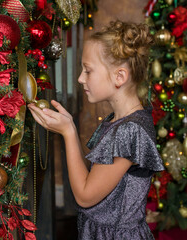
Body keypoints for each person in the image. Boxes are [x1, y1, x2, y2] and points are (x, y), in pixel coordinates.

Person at [28, 20, 165, 240]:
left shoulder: (129, 130)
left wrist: (69, 132)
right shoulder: (119, 121)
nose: (81, 78)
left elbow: (84, 196)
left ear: (119, 77)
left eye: (88, 70)